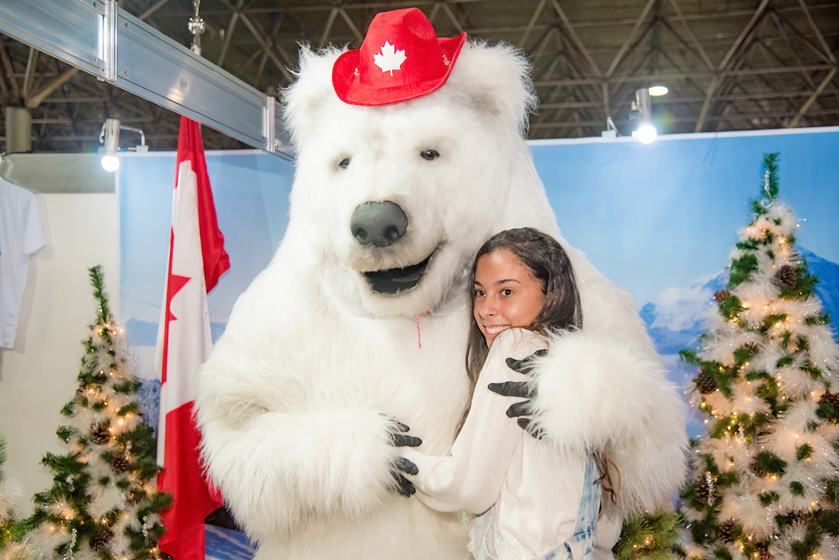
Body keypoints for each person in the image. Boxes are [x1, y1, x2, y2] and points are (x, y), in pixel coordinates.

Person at [398, 227, 616, 560]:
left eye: (507, 292)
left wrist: (397, 461)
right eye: (480, 292)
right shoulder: (568, 372)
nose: (486, 308)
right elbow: (604, 524)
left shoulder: (516, 347)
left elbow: (468, 488)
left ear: (550, 293)